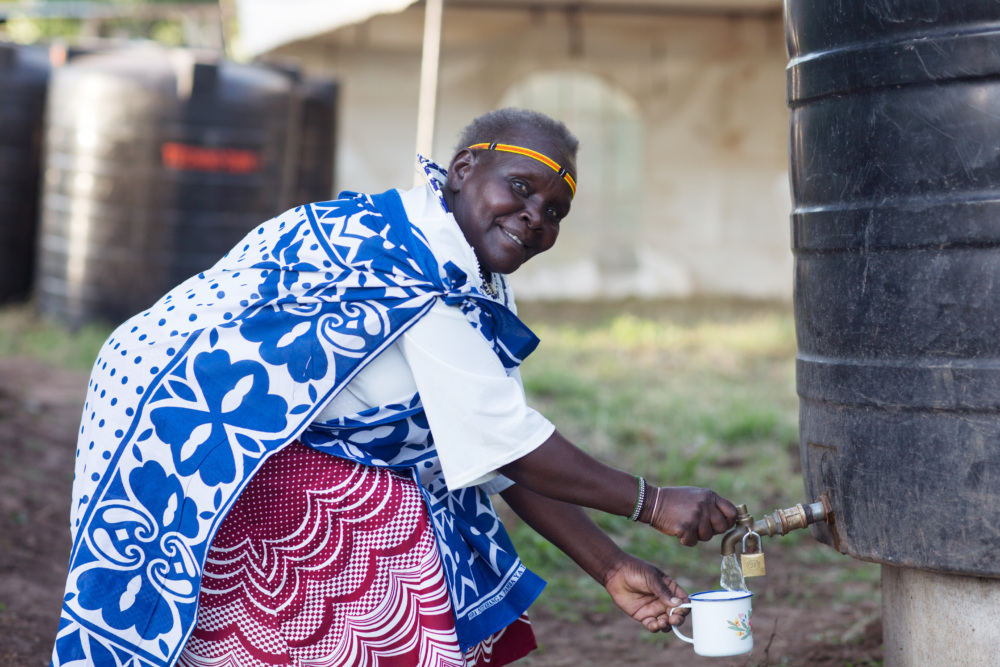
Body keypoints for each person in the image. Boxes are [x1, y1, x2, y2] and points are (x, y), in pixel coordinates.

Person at [51, 108, 738, 667]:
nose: (536, 216)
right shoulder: (413, 264)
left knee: (436, 489)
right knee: (397, 516)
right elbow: (510, 446)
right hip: (185, 424)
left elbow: (490, 444)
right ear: (465, 169)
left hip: (251, 430)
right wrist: (651, 502)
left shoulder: (467, 276)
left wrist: (611, 564)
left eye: (556, 210)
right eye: (522, 188)